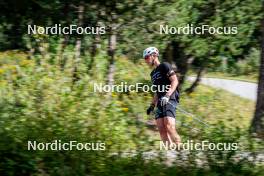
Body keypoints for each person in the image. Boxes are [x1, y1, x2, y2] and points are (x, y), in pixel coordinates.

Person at [143, 47, 181, 146]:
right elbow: (157, 91)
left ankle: (181, 149)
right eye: (144, 58)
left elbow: (175, 81)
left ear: (154, 55)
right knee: (161, 129)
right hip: (160, 101)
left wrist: (167, 95)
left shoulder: (165, 65)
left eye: (146, 57)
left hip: (170, 98)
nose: (145, 60)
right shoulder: (152, 74)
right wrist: (151, 106)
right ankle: (170, 155)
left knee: (169, 126)